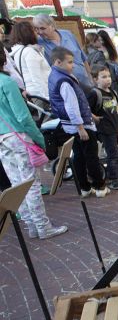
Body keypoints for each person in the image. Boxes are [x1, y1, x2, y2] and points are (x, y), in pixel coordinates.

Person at [0, 47, 67, 239]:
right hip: (18, 137)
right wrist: (39, 138)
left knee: (17, 185)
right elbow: (23, 117)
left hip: (2, 140)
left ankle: (31, 225)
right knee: (31, 184)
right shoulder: (7, 82)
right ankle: (43, 226)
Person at [48, 46, 108, 198]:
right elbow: (72, 106)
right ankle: (99, 186)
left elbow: (76, 104)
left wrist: (89, 116)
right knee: (90, 156)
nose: (73, 65)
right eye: (69, 62)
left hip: (72, 125)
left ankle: (84, 187)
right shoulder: (64, 81)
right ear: (58, 62)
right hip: (79, 126)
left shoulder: (55, 76)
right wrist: (81, 127)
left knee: (79, 156)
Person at [88, 64, 118, 190]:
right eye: (103, 77)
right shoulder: (95, 93)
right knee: (112, 154)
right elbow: (86, 109)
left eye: (109, 76)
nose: (108, 79)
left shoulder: (113, 91)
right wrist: (95, 118)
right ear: (95, 79)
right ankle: (113, 179)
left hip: (117, 128)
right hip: (106, 130)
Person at [33, 14, 92, 89]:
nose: (39, 32)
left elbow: (83, 58)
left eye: (42, 28)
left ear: (52, 26)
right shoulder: (38, 43)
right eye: (36, 29)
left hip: (86, 82)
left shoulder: (67, 34)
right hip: (66, 87)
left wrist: (91, 77)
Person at [8, 21, 52, 117]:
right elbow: (36, 77)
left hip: (36, 92)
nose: (37, 32)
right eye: (34, 30)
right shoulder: (29, 51)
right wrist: (47, 98)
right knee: (49, 121)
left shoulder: (20, 51)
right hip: (42, 94)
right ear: (27, 33)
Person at [94, 30, 118, 112]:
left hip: (115, 74)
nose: (100, 41)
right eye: (99, 40)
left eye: (102, 39)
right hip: (106, 74)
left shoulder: (109, 48)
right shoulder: (96, 51)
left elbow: (117, 62)